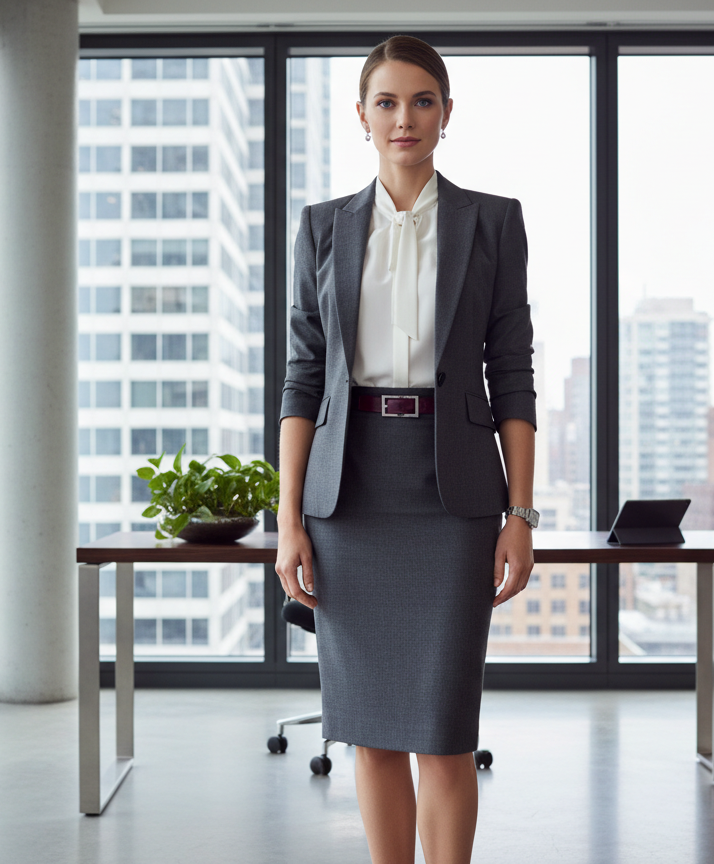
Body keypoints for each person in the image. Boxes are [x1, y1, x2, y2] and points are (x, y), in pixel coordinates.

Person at [275, 35, 538, 864]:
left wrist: (521, 513)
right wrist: (289, 520)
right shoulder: (322, 229)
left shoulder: (492, 222)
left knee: (444, 730)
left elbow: (514, 376)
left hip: (453, 496)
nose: (404, 119)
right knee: (372, 732)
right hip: (349, 494)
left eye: (422, 101)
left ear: (447, 114)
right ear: (361, 116)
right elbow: (301, 380)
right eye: (386, 102)